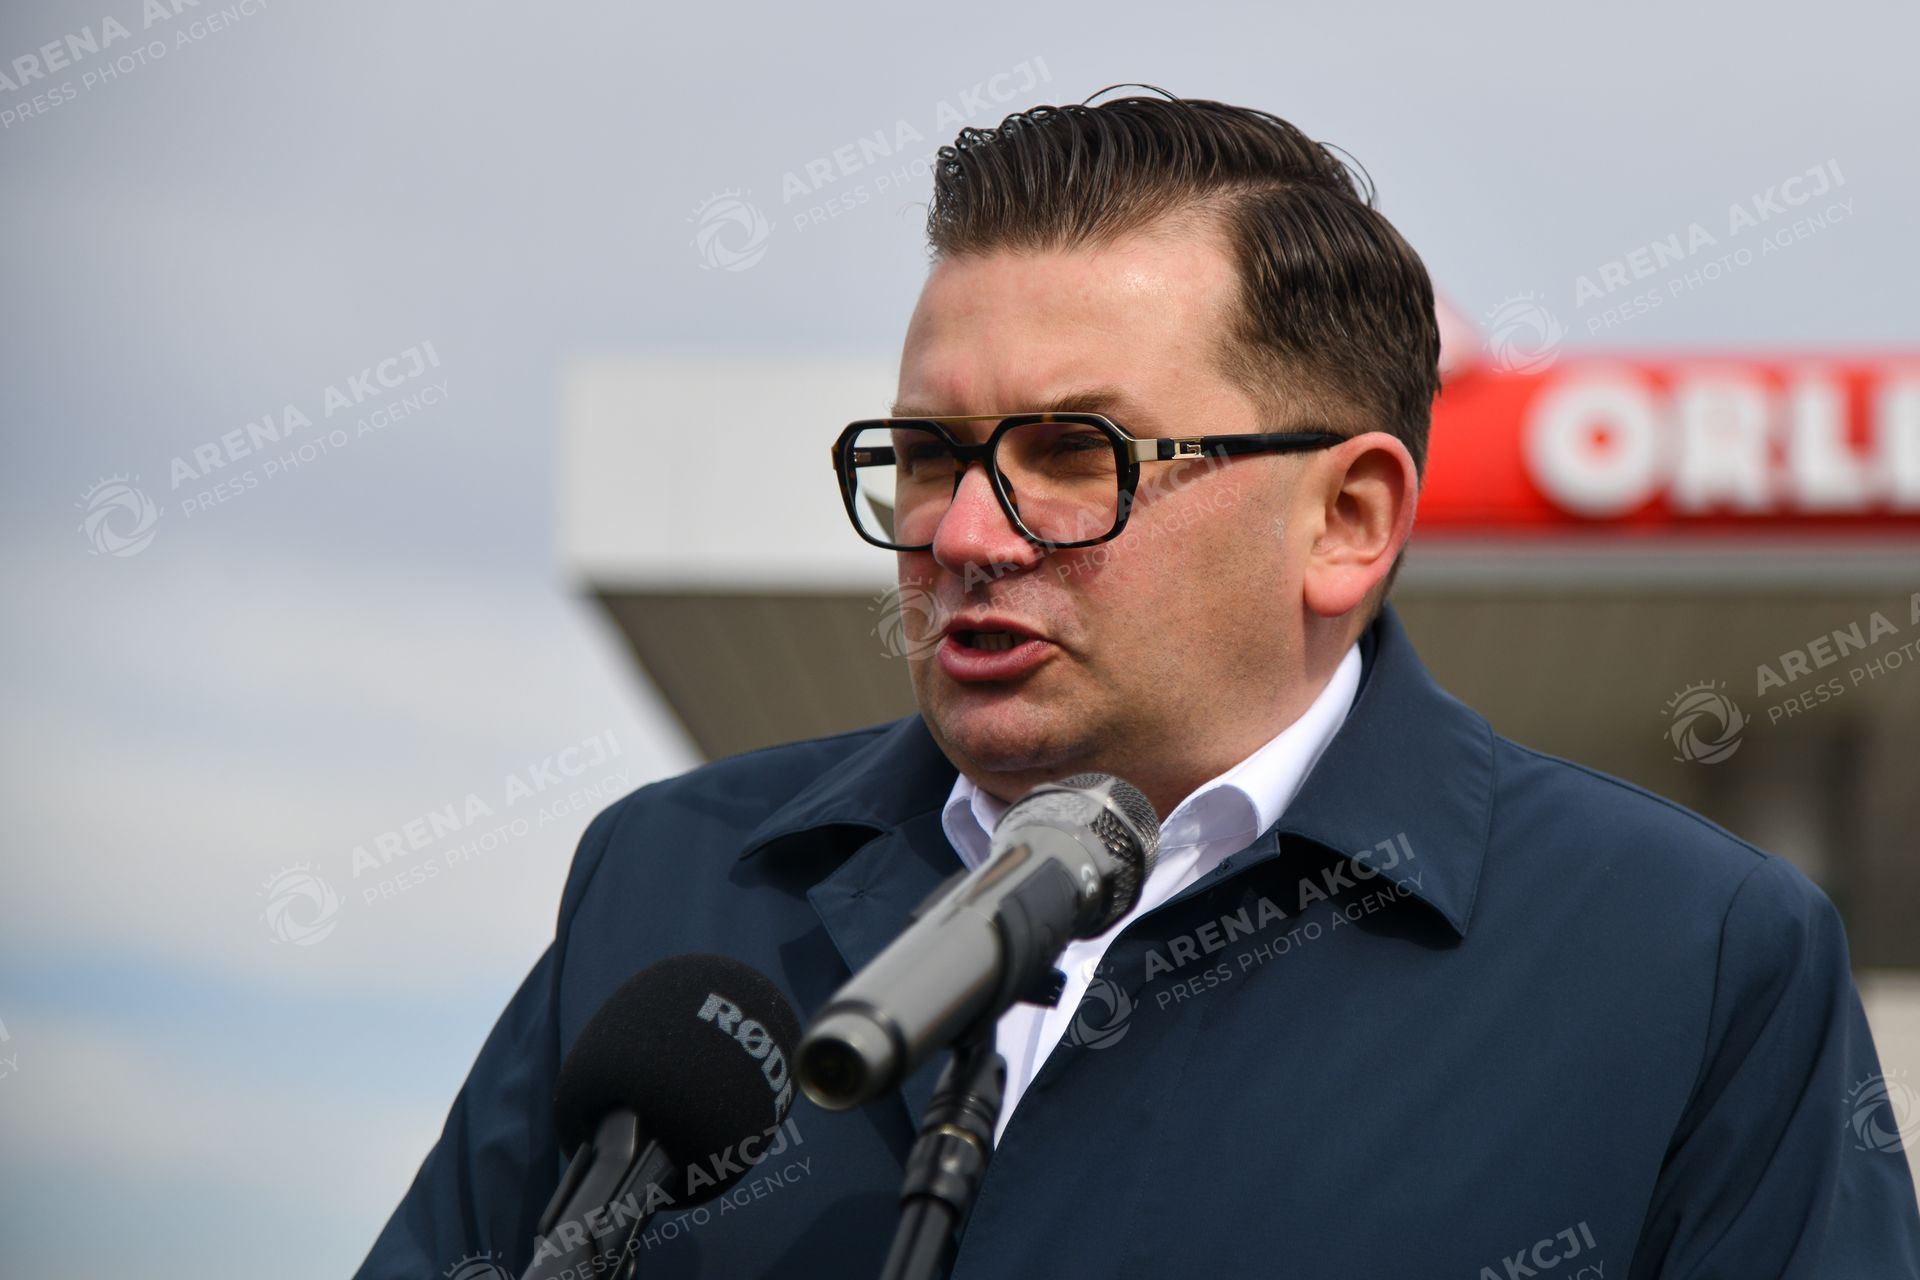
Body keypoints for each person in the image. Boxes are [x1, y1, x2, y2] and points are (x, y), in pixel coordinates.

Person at [356, 91, 1920, 1279]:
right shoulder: (675, 879)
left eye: (1072, 453)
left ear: (1348, 519)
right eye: (927, 456)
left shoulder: (1693, 960)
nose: (968, 535)